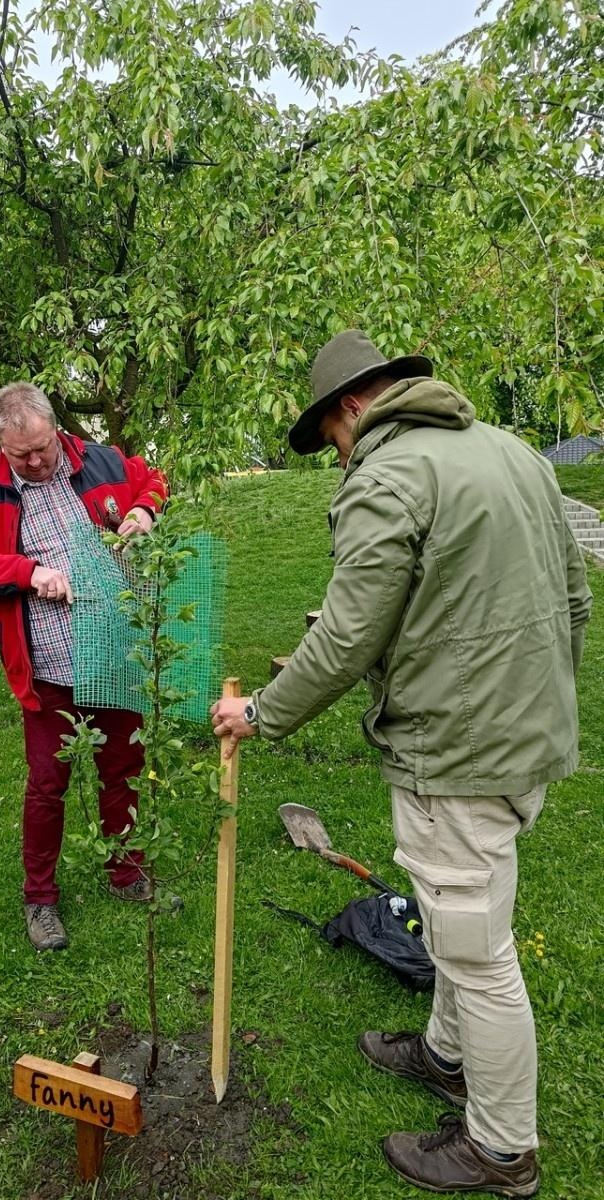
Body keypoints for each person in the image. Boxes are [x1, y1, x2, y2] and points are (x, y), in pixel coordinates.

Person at [211, 330, 592, 1197]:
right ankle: (446, 1056)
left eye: (331, 441)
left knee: (478, 953)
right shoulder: (511, 451)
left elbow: (349, 636)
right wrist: (536, 705)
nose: (335, 458)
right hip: (521, 741)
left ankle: (500, 1150)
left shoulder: (386, 476)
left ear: (352, 406)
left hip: (457, 751)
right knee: (462, 923)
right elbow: (575, 597)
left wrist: (259, 714)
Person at [0, 382, 167, 952]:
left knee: (123, 768)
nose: (35, 461)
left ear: (56, 429)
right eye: (21, 454)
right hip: (48, 668)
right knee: (47, 785)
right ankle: (40, 899)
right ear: (0, 445)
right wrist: (26, 572)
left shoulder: (101, 461)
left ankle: (127, 872)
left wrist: (140, 510)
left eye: (42, 448)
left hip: (114, 653)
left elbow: (153, 478)